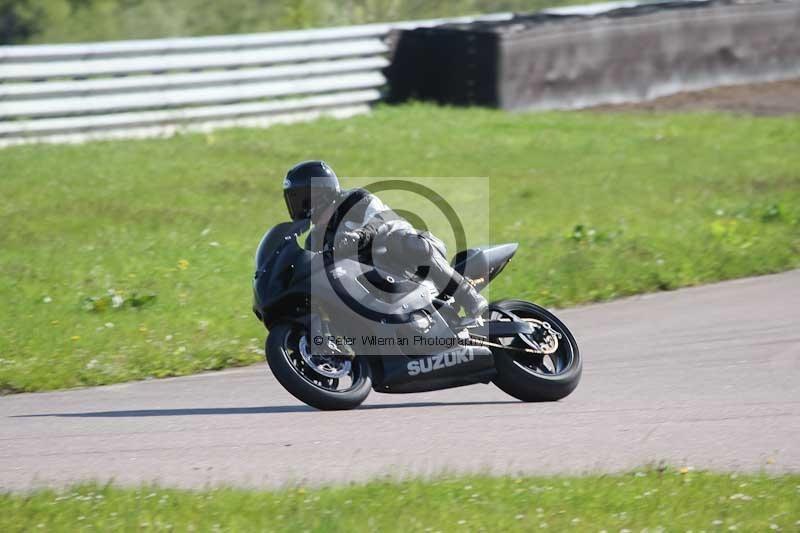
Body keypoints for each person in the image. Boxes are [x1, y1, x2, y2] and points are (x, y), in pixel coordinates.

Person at [282, 160, 488, 318]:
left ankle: (468, 296)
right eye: (293, 200)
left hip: (407, 259)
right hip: (377, 286)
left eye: (302, 198)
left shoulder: (355, 200)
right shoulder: (314, 240)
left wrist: (359, 236)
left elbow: (383, 221)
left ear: (321, 193)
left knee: (405, 240)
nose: (299, 207)